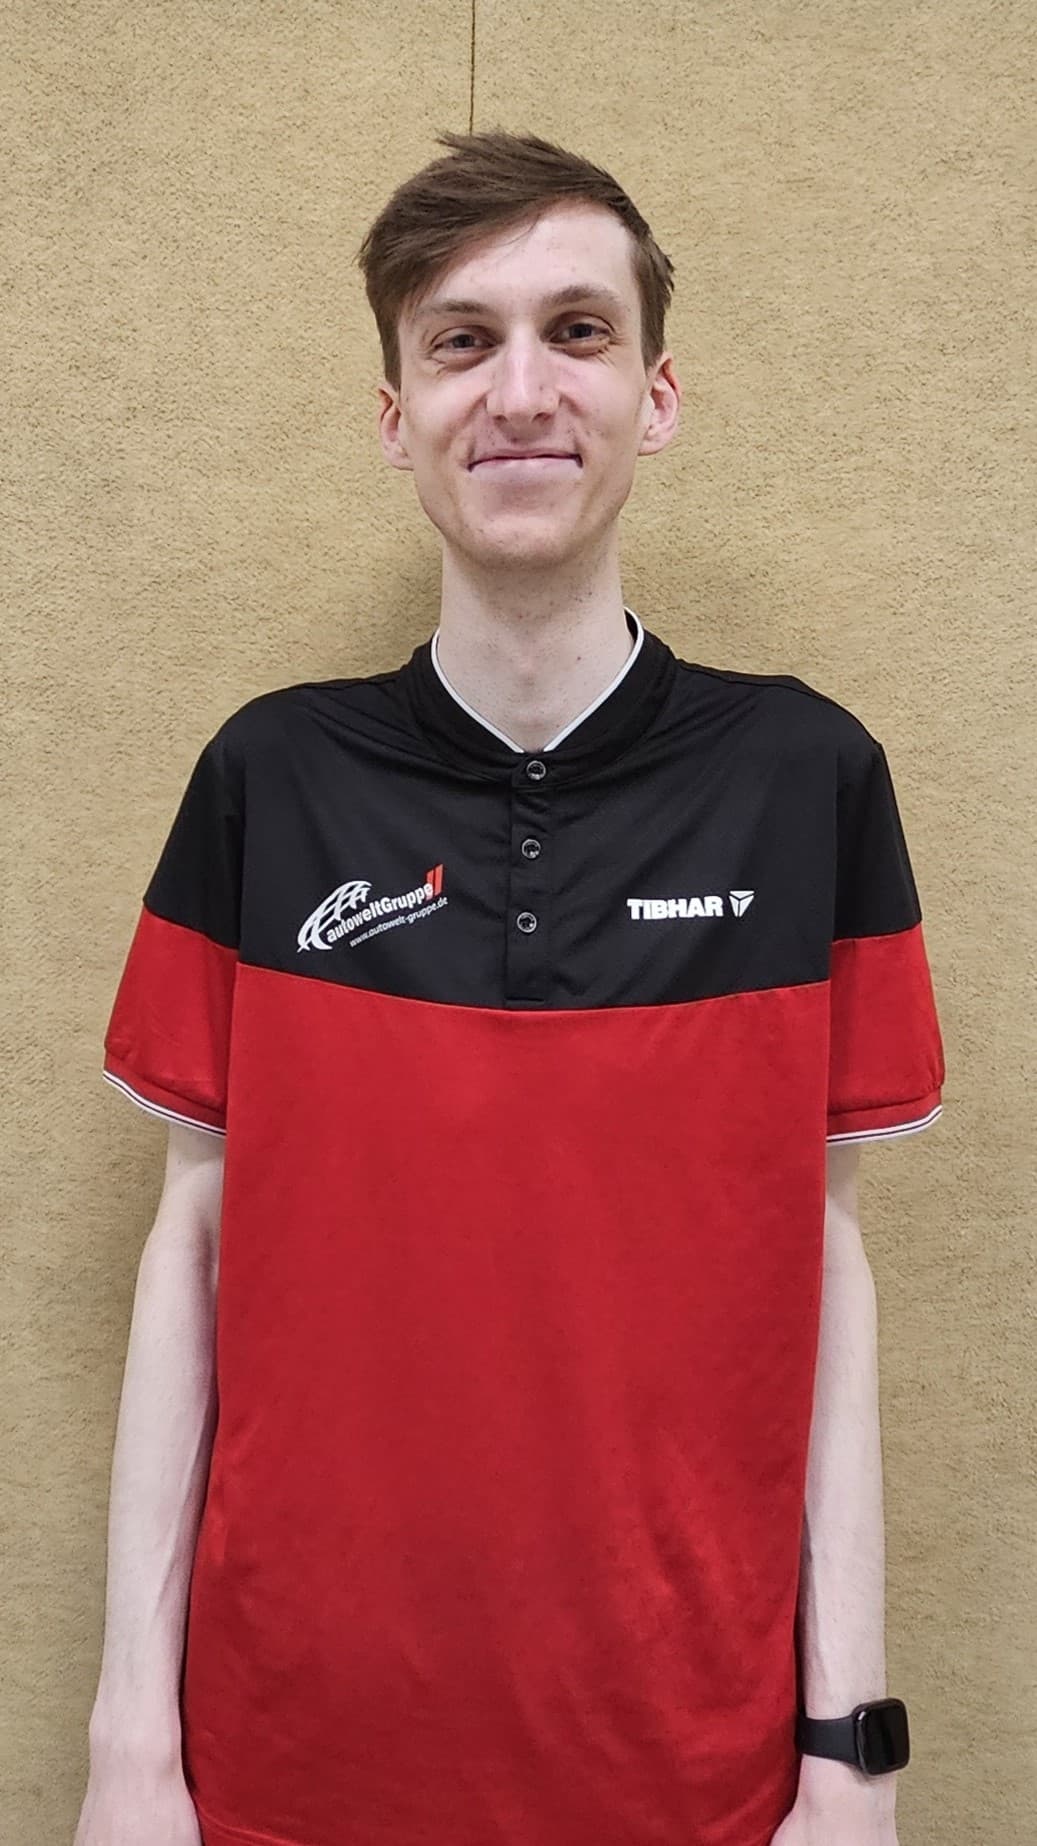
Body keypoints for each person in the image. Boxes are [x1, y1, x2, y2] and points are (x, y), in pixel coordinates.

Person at [80, 130, 944, 1846]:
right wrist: (130, 1746)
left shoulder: (806, 778)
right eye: (461, 341)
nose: (522, 390)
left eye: (578, 330)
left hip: (689, 1775)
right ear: (395, 414)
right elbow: (191, 1244)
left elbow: (824, 1260)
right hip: (286, 1761)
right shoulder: (270, 777)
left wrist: (849, 1751)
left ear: (656, 396)